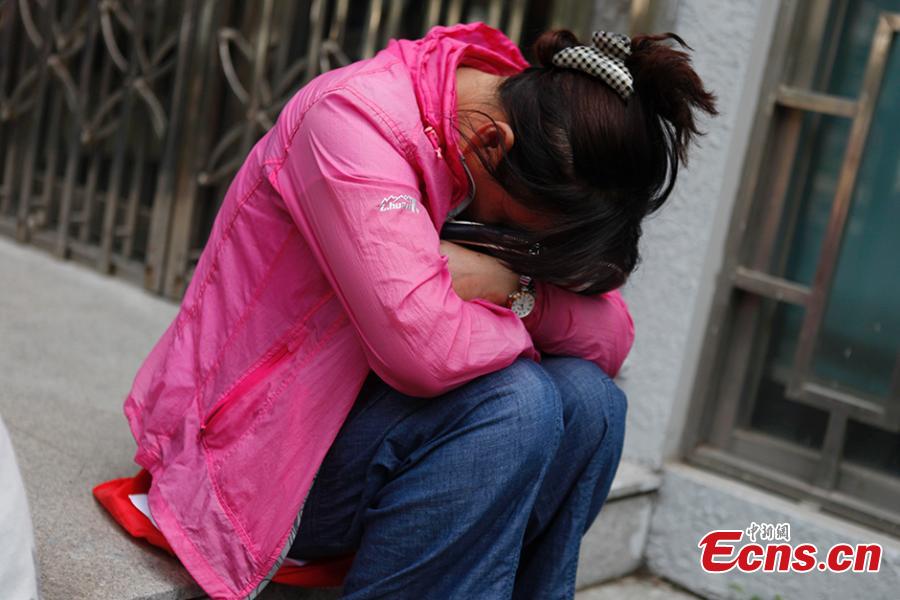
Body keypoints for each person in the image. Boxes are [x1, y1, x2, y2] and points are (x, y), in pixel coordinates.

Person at [120, 21, 716, 600]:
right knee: (518, 402)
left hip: (381, 437)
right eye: (514, 228)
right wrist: (519, 312)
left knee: (592, 401)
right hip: (264, 455)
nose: (520, 245)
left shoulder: (539, 132)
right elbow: (426, 351)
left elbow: (612, 335)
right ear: (491, 145)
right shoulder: (352, 122)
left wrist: (515, 290)